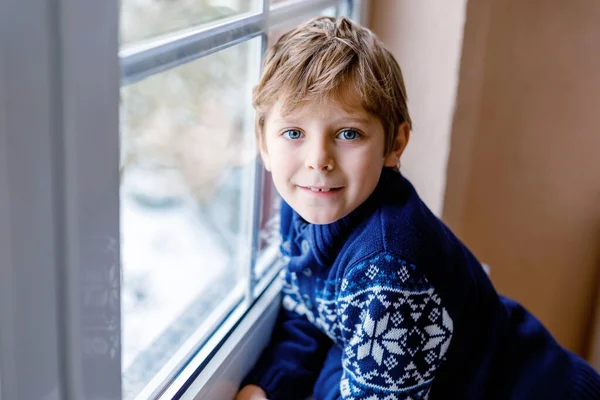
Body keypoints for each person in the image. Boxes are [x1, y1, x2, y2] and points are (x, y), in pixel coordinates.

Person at [235, 16, 600, 400]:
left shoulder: (390, 268)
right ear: (264, 144)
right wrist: (265, 387)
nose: (318, 160)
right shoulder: (307, 203)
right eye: (294, 133)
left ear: (394, 145)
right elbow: (309, 311)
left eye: (348, 134)